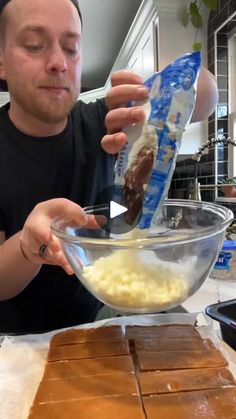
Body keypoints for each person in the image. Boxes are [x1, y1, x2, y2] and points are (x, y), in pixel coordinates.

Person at [0, 0, 218, 334]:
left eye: (71, 49)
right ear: (1, 61)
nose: (59, 62)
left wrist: (159, 92)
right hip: (18, 346)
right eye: (34, 46)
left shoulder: (110, 121)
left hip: (99, 324)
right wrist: (28, 247)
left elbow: (206, 95)